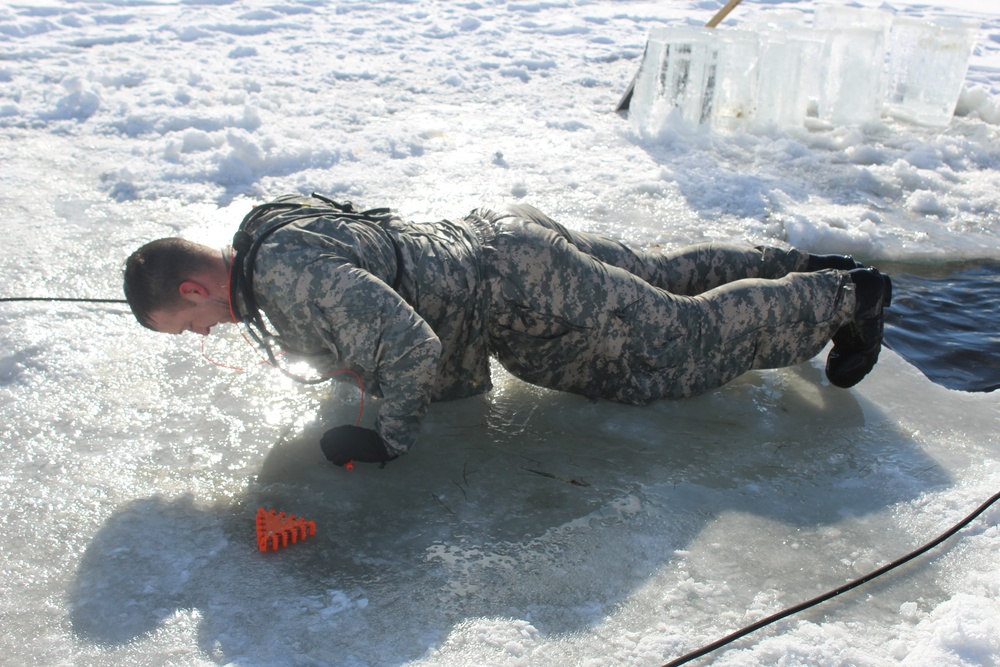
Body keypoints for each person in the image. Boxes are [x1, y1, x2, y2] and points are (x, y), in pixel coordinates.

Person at [123, 193, 891, 467]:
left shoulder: (286, 275)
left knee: (674, 345)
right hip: (498, 235)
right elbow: (373, 276)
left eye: (186, 322)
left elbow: (412, 344)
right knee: (653, 279)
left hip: (517, 286)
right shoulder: (266, 228)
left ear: (194, 287)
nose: (199, 334)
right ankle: (796, 263)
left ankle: (846, 296)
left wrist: (387, 438)